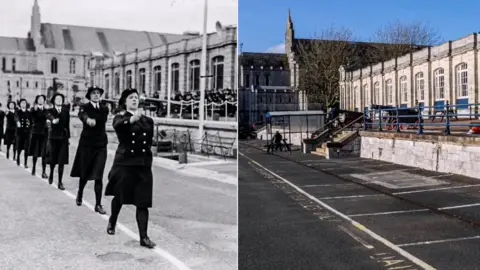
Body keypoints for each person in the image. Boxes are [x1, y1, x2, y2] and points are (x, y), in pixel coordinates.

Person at [105, 88, 156, 249]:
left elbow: (148, 141)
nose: (134, 100)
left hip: (142, 165)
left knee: (143, 202)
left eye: (136, 97)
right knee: (119, 197)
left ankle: (144, 237)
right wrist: (132, 119)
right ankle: (112, 221)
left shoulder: (148, 120)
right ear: (125, 101)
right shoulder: (120, 118)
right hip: (125, 163)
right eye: (131, 98)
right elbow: (119, 126)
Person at [71, 87, 108, 214]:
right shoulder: (84, 107)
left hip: (101, 145)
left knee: (99, 175)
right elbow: (82, 115)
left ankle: (98, 204)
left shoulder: (104, 108)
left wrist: (94, 121)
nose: (96, 95)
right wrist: (87, 120)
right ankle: (80, 193)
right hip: (87, 144)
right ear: (89, 96)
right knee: (85, 172)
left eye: (98, 93)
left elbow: (102, 119)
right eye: (94, 93)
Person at [45, 93, 70, 190]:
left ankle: (60, 181)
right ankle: (51, 173)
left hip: (63, 138)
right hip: (53, 138)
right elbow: (48, 116)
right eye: (57, 99)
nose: (59, 100)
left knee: (62, 161)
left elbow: (67, 125)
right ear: (54, 101)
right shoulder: (50, 110)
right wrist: (53, 120)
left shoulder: (66, 111)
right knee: (53, 159)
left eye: (61, 99)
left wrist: (69, 138)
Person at [29, 95, 48, 177]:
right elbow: (31, 117)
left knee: (44, 153)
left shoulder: (47, 110)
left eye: (42, 99)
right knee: (36, 152)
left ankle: (44, 172)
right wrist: (34, 110)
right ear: (36, 100)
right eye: (39, 99)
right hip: (36, 133)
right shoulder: (33, 109)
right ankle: (33, 168)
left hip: (44, 133)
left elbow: (49, 117)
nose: (41, 100)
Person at [15, 99, 32, 167]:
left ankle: (25, 162)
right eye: (22, 103)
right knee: (19, 147)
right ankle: (18, 158)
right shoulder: (18, 112)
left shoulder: (29, 113)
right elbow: (16, 117)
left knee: (26, 148)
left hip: (27, 133)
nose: (23, 104)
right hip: (20, 133)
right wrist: (18, 122)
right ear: (20, 104)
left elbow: (31, 121)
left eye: (24, 103)